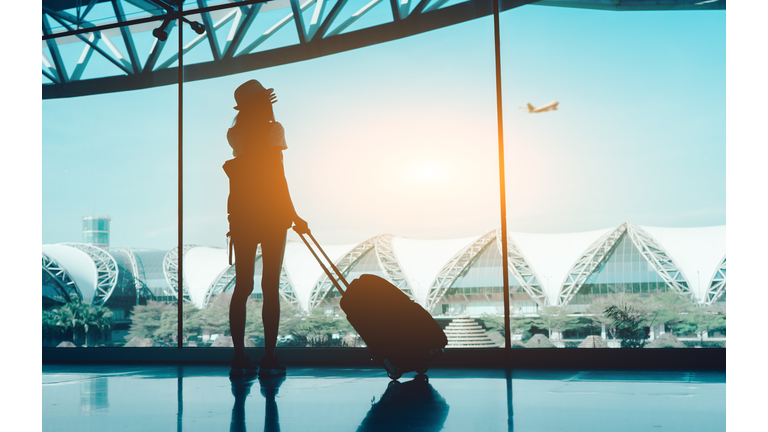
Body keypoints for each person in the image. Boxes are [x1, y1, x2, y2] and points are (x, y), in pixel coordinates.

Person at [223, 79, 309, 377]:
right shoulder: (274, 129)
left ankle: (238, 358)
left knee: (242, 286)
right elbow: (276, 175)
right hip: (271, 214)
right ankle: (269, 358)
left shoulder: (234, 134)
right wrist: (294, 214)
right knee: (269, 287)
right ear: (263, 102)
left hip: (242, 214)